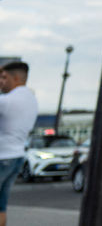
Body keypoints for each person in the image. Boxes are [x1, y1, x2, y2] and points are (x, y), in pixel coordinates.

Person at [0, 62, 38, 226]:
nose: (1, 81)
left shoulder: (8, 101)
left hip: (2, 157)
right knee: (1, 207)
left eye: (4, 77)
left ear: (16, 78)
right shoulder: (31, 99)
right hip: (16, 157)